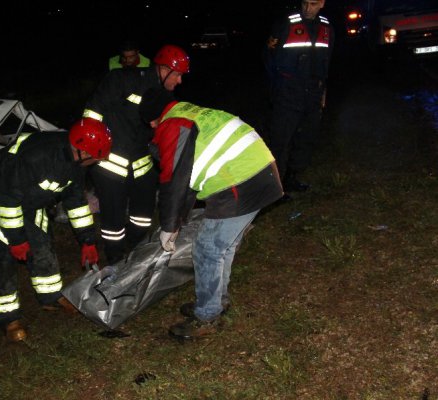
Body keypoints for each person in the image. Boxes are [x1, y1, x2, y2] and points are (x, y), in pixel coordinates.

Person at [138, 88, 283, 340]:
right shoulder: (192, 112)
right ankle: (217, 302)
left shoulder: (172, 126)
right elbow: (190, 179)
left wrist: (169, 226)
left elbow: (174, 180)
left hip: (240, 183)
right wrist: (177, 221)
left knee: (208, 249)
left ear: (153, 119)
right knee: (222, 247)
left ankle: (207, 316)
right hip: (263, 173)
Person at [0, 119, 112, 342]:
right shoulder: (36, 157)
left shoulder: (76, 164)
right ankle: (9, 319)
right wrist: (15, 240)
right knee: (2, 259)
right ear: (82, 151)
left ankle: (51, 297)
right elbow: (7, 200)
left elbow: (76, 202)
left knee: (42, 244)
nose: (96, 162)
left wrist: (88, 240)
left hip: (26, 202)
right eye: (95, 157)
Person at [83, 44, 190, 264]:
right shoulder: (121, 79)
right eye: (177, 75)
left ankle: (135, 257)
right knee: (113, 222)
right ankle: (114, 261)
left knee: (142, 219)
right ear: (163, 69)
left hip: (143, 166)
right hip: (110, 165)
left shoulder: (166, 96)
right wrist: (94, 147)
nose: (179, 81)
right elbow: (92, 113)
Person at [264, 0, 334, 197]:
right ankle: (275, 187)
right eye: (304, 3)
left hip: (312, 93)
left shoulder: (326, 27)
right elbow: (269, 56)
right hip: (288, 92)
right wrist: (277, 87)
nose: (307, 8)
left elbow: (327, 62)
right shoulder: (287, 23)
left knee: (305, 138)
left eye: (312, 4)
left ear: (322, 3)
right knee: (281, 139)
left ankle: (291, 178)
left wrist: (323, 93)